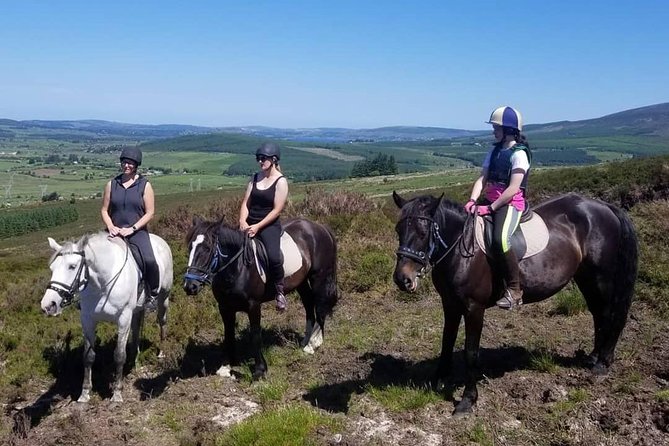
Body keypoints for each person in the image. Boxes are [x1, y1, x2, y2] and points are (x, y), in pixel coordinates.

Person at [464, 106, 532, 310]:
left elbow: (513, 188)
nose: (494, 130)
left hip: (509, 204)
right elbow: (482, 178)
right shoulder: (494, 151)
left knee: (500, 239)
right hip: (489, 199)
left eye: (497, 127)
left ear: (509, 130)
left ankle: (514, 289)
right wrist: (472, 200)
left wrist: (490, 208)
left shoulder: (519, 154)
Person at [101, 147, 160, 310]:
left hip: (137, 231)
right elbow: (104, 210)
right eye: (124, 162)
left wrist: (132, 228)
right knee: (92, 255)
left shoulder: (145, 185)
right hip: (114, 231)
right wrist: (111, 226)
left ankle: (153, 294)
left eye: (130, 163)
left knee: (149, 260)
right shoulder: (112, 184)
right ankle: (88, 295)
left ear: (136, 165)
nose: (127, 165)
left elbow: (150, 213)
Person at [239, 142, 289, 312]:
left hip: (268, 225)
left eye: (263, 158)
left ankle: (279, 290)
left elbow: (276, 210)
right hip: (249, 223)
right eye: (258, 158)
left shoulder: (281, 182)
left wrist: (258, 226)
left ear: (273, 160)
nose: (260, 162)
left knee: (274, 257)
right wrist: (242, 221)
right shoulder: (254, 178)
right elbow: (246, 202)